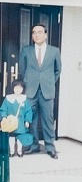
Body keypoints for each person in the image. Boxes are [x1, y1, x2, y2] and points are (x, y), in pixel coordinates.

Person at [18, 25, 60, 158]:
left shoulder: (54, 51)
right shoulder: (26, 50)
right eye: (34, 33)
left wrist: (48, 82)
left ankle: (50, 147)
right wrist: (29, 81)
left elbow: (57, 70)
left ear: (45, 35)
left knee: (48, 119)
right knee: (31, 120)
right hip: (31, 90)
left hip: (47, 90)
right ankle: (34, 145)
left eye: (40, 32)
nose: (37, 35)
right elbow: (22, 69)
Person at [1, 80, 36, 157]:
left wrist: (27, 120)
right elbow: (3, 109)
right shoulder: (8, 99)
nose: (18, 90)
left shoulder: (24, 99)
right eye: (16, 87)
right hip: (11, 123)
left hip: (20, 123)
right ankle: (12, 151)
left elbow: (28, 111)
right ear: (13, 88)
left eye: (20, 88)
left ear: (23, 89)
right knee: (11, 137)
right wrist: (4, 117)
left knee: (21, 137)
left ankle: (19, 151)